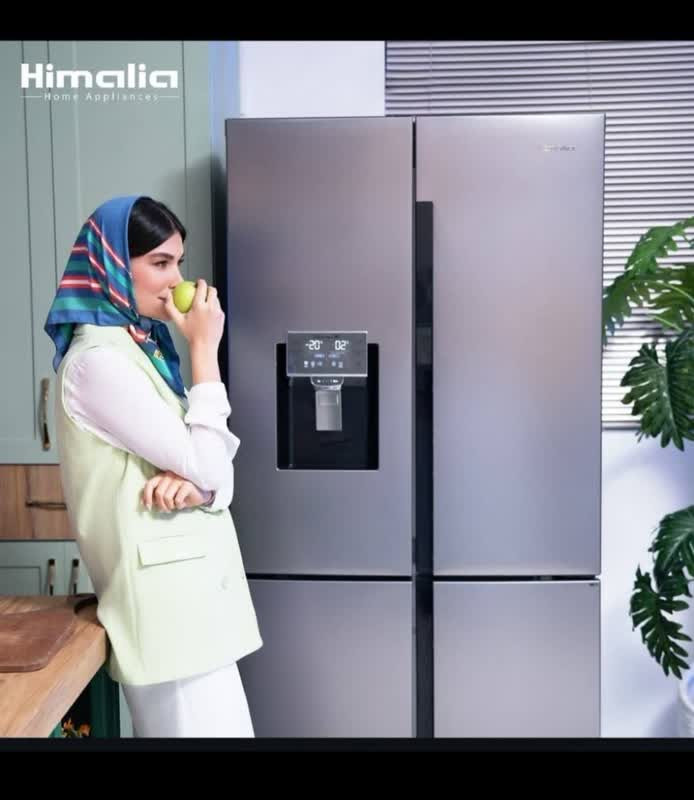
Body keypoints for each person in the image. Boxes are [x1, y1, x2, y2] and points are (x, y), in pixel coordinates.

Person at [44, 195, 263, 738]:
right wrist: (205, 350)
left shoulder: (143, 351)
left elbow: (220, 472)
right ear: (114, 266)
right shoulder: (97, 363)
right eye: (160, 263)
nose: (177, 282)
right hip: (168, 616)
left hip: (196, 608)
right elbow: (211, 461)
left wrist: (202, 490)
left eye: (179, 263)